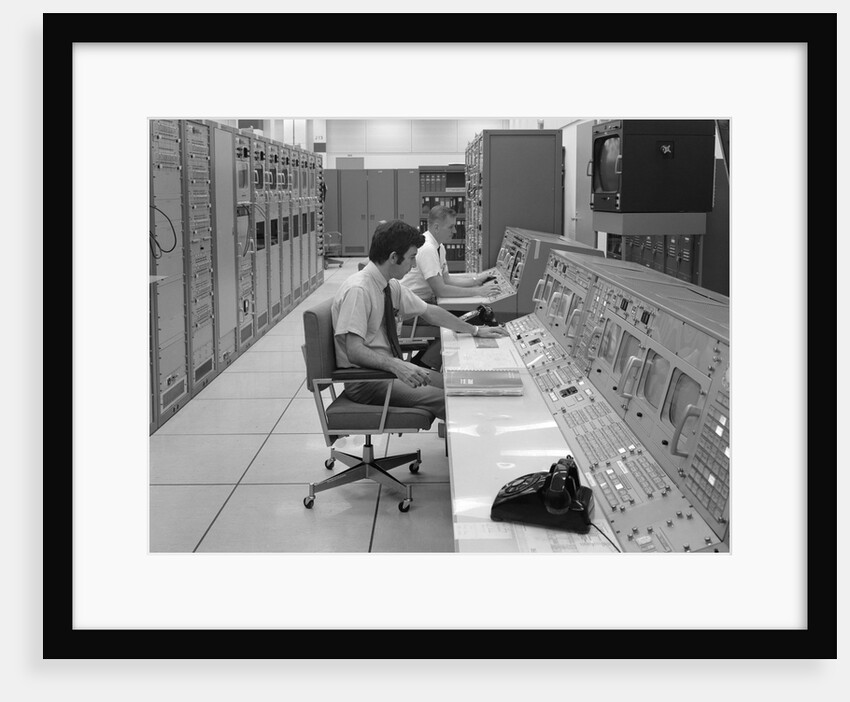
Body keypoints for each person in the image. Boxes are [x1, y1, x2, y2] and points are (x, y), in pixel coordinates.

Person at [332, 219, 509, 422]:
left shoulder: (388, 286)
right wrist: (396, 365)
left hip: (385, 371)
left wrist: (475, 331)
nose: (414, 264)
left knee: (456, 384)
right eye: (411, 258)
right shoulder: (359, 290)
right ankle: (475, 445)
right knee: (452, 400)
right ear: (393, 257)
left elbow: (430, 312)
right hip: (368, 381)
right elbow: (353, 350)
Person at [398, 205, 502, 370]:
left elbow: (446, 280)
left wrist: (476, 281)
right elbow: (442, 290)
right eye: (451, 226)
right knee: (462, 322)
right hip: (413, 311)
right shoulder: (427, 249)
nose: (454, 231)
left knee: (473, 316)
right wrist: (478, 292)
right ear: (437, 227)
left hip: (424, 304)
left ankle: (424, 363)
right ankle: (423, 366)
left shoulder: (439, 247)